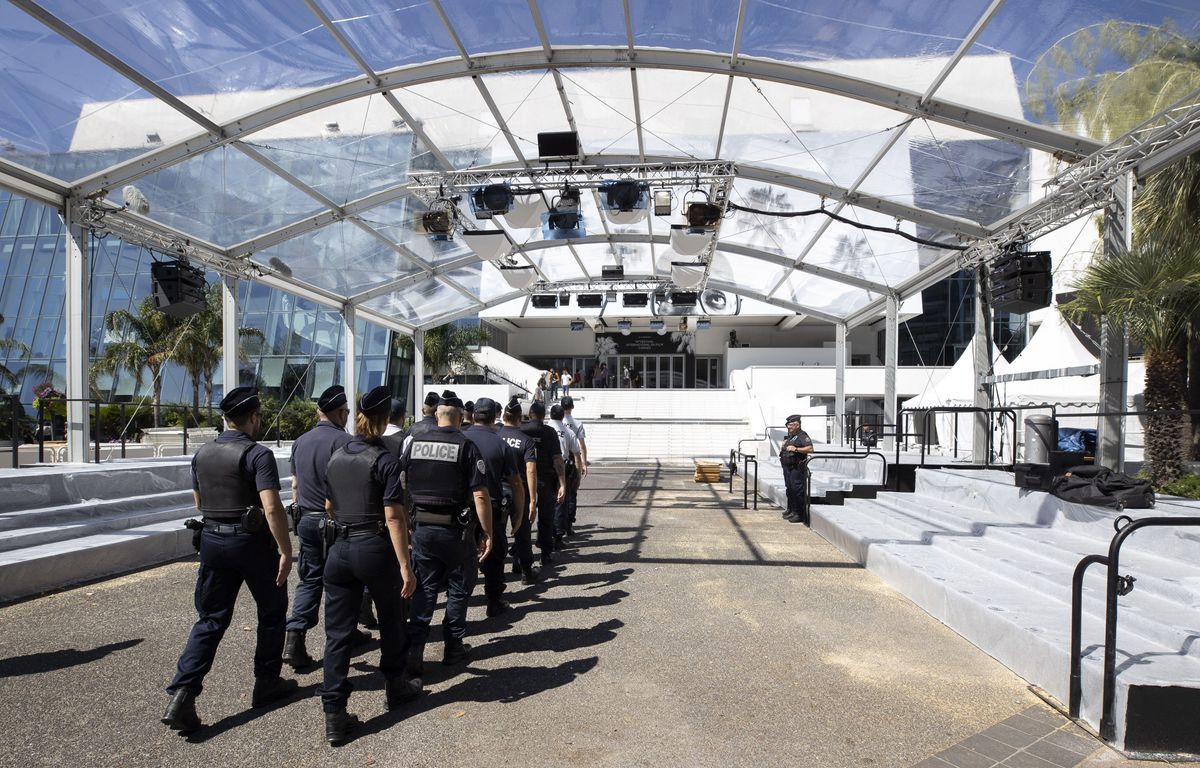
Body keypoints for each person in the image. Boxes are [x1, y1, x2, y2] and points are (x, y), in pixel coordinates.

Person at [161, 387, 295, 734]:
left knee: (211, 619)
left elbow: (198, 499)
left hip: (212, 540)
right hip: (251, 542)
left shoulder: (203, 453)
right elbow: (271, 506)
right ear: (252, 417)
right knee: (271, 612)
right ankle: (266, 682)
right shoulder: (257, 454)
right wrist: (285, 549)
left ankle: (183, 692)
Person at [321, 386, 421, 746]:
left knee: (338, 634)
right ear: (383, 419)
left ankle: (334, 712)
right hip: (374, 547)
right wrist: (405, 566)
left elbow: (330, 505)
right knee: (393, 619)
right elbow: (394, 517)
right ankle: (395, 685)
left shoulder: (337, 455)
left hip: (339, 547)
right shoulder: (386, 460)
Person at [403, 391, 493, 674]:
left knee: (424, 589)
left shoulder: (414, 444)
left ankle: (414, 652)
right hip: (455, 531)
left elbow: (401, 485)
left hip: (422, 530)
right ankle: (453, 647)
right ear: (458, 417)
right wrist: (488, 532)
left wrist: (406, 522)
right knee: (458, 588)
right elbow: (480, 495)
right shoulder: (465, 446)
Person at [282, 385, 360, 670]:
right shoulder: (345, 442)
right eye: (347, 412)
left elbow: (294, 484)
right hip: (336, 521)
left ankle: (295, 635)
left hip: (305, 518)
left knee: (310, 579)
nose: (348, 416)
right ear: (339, 412)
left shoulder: (300, 441)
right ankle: (341, 637)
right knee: (342, 583)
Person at [464, 398, 524, 616]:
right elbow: (516, 483)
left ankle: (460, 604)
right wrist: (519, 513)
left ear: (472, 416)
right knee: (495, 556)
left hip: (464, 510)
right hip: (493, 507)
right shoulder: (501, 444)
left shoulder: (460, 438)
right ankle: (494, 600)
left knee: (462, 557)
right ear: (494, 417)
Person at [498, 397, 539, 584]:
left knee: (498, 531)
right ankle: (525, 571)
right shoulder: (526, 440)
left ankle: (497, 574)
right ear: (518, 418)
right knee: (522, 532)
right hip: (518, 490)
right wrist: (532, 499)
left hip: (497, 491)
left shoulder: (495, 435)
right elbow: (530, 470)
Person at [521, 401, 566, 567]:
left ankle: (521, 553)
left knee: (523, 517)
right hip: (545, 480)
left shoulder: (521, 430)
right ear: (543, 415)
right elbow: (557, 459)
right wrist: (562, 483)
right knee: (546, 517)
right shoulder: (549, 432)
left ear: (530, 413)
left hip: (524, 480)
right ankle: (546, 553)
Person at [548, 403, 581, 549]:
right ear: (562, 416)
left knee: (543, 504)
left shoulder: (544, 429)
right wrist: (579, 473)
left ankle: (544, 534)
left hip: (543, 470)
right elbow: (577, 453)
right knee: (560, 503)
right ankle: (558, 535)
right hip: (562, 468)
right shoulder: (568, 432)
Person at [560, 396, 588, 535]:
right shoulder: (578, 423)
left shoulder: (555, 422)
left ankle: (557, 524)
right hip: (572, 459)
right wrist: (584, 463)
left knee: (557, 492)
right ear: (572, 407)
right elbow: (582, 446)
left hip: (557, 459)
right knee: (572, 492)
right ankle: (568, 524)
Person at [780, 414, 814, 525]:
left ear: (797, 425)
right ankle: (792, 509)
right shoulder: (791, 436)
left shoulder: (802, 435)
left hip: (797, 467)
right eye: (788, 425)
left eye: (790, 425)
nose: (788, 427)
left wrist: (796, 449)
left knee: (797, 490)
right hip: (788, 466)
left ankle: (799, 513)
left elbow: (810, 448)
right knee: (789, 489)